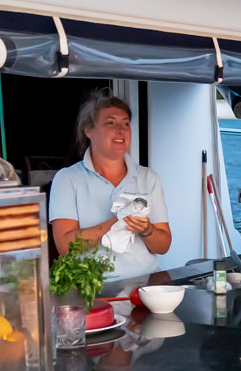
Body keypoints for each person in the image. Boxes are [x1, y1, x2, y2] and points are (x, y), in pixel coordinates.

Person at [49, 93, 171, 279]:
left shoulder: (149, 178)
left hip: (145, 282)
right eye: (110, 123)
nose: (121, 130)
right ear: (89, 130)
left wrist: (147, 230)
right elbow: (65, 247)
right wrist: (118, 221)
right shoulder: (67, 179)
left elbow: (163, 246)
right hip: (93, 286)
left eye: (126, 123)